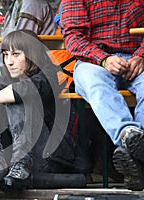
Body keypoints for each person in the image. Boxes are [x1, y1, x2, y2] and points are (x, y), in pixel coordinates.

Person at [0, 30, 76, 191]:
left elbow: (24, 90)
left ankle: (21, 163)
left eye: (16, 54)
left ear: (32, 55)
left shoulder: (48, 74)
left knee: (17, 96)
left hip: (50, 157)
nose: (9, 62)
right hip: (14, 157)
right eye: (6, 54)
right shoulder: (7, 79)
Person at [62, 0, 144, 190]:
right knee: (95, 83)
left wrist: (141, 55)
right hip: (94, 61)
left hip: (138, 59)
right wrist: (104, 59)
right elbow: (74, 37)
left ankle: (136, 157)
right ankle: (128, 135)